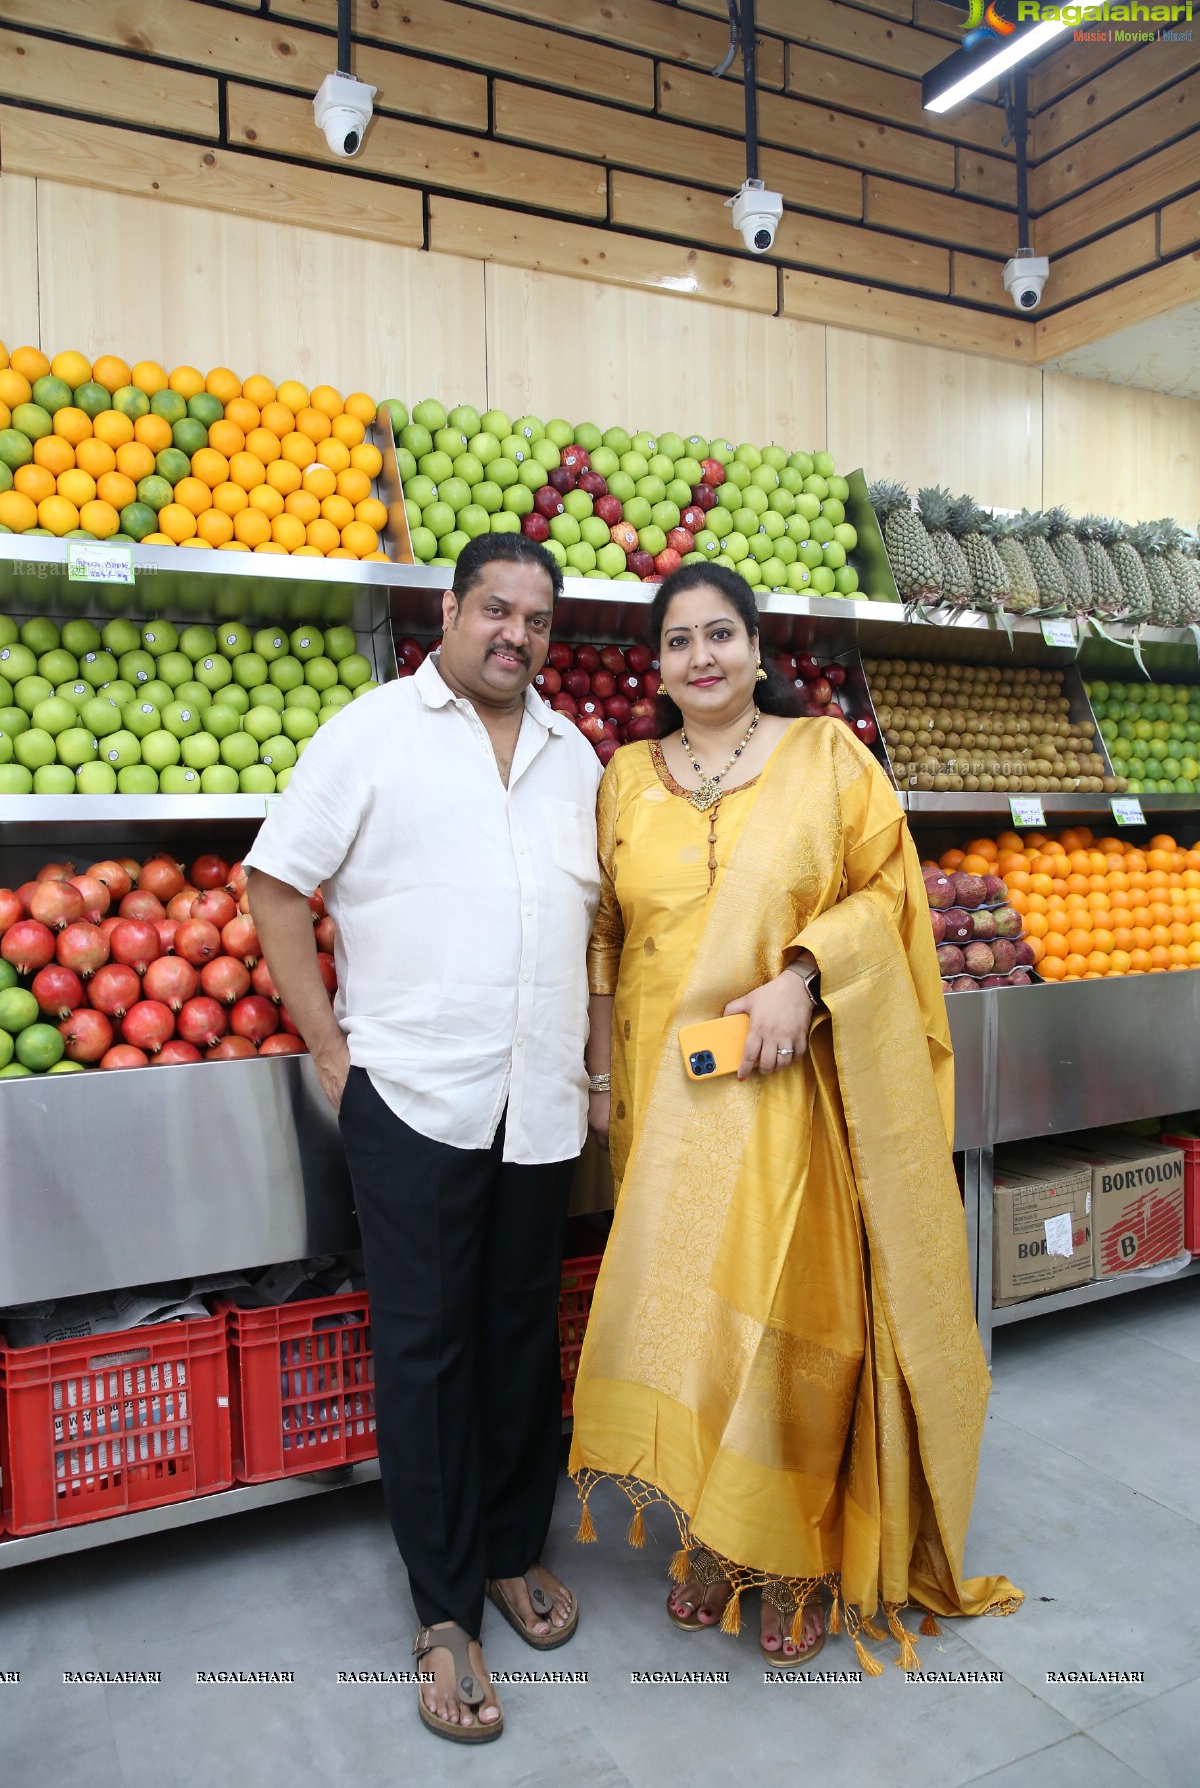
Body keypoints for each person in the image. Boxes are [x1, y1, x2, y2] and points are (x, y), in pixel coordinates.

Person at [570, 561, 1021, 1672]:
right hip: (671, 1107)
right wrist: (597, 1074)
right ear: (660, 666)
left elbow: (888, 895)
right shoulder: (624, 778)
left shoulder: (826, 758)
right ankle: (716, 1539)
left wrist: (806, 977)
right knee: (693, 1325)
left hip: (792, 1102)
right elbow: (606, 938)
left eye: (721, 634)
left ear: (758, 649)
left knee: (790, 1322)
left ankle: (801, 1552)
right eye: (679, 642)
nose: (703, 657)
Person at [245, 532, 602, 1744]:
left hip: (539, 1102)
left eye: (537, 619)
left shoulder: (574, 757)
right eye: (495, 609)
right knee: (426, 1352)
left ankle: (510, 1551)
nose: (516, 634)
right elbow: (275, 888)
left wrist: (595, 1067)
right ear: (449, 610)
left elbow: (594, 931)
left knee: (518, 1338)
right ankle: (443, 1609)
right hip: (412, 1099)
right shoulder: (369, 734)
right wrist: (334, 1055)